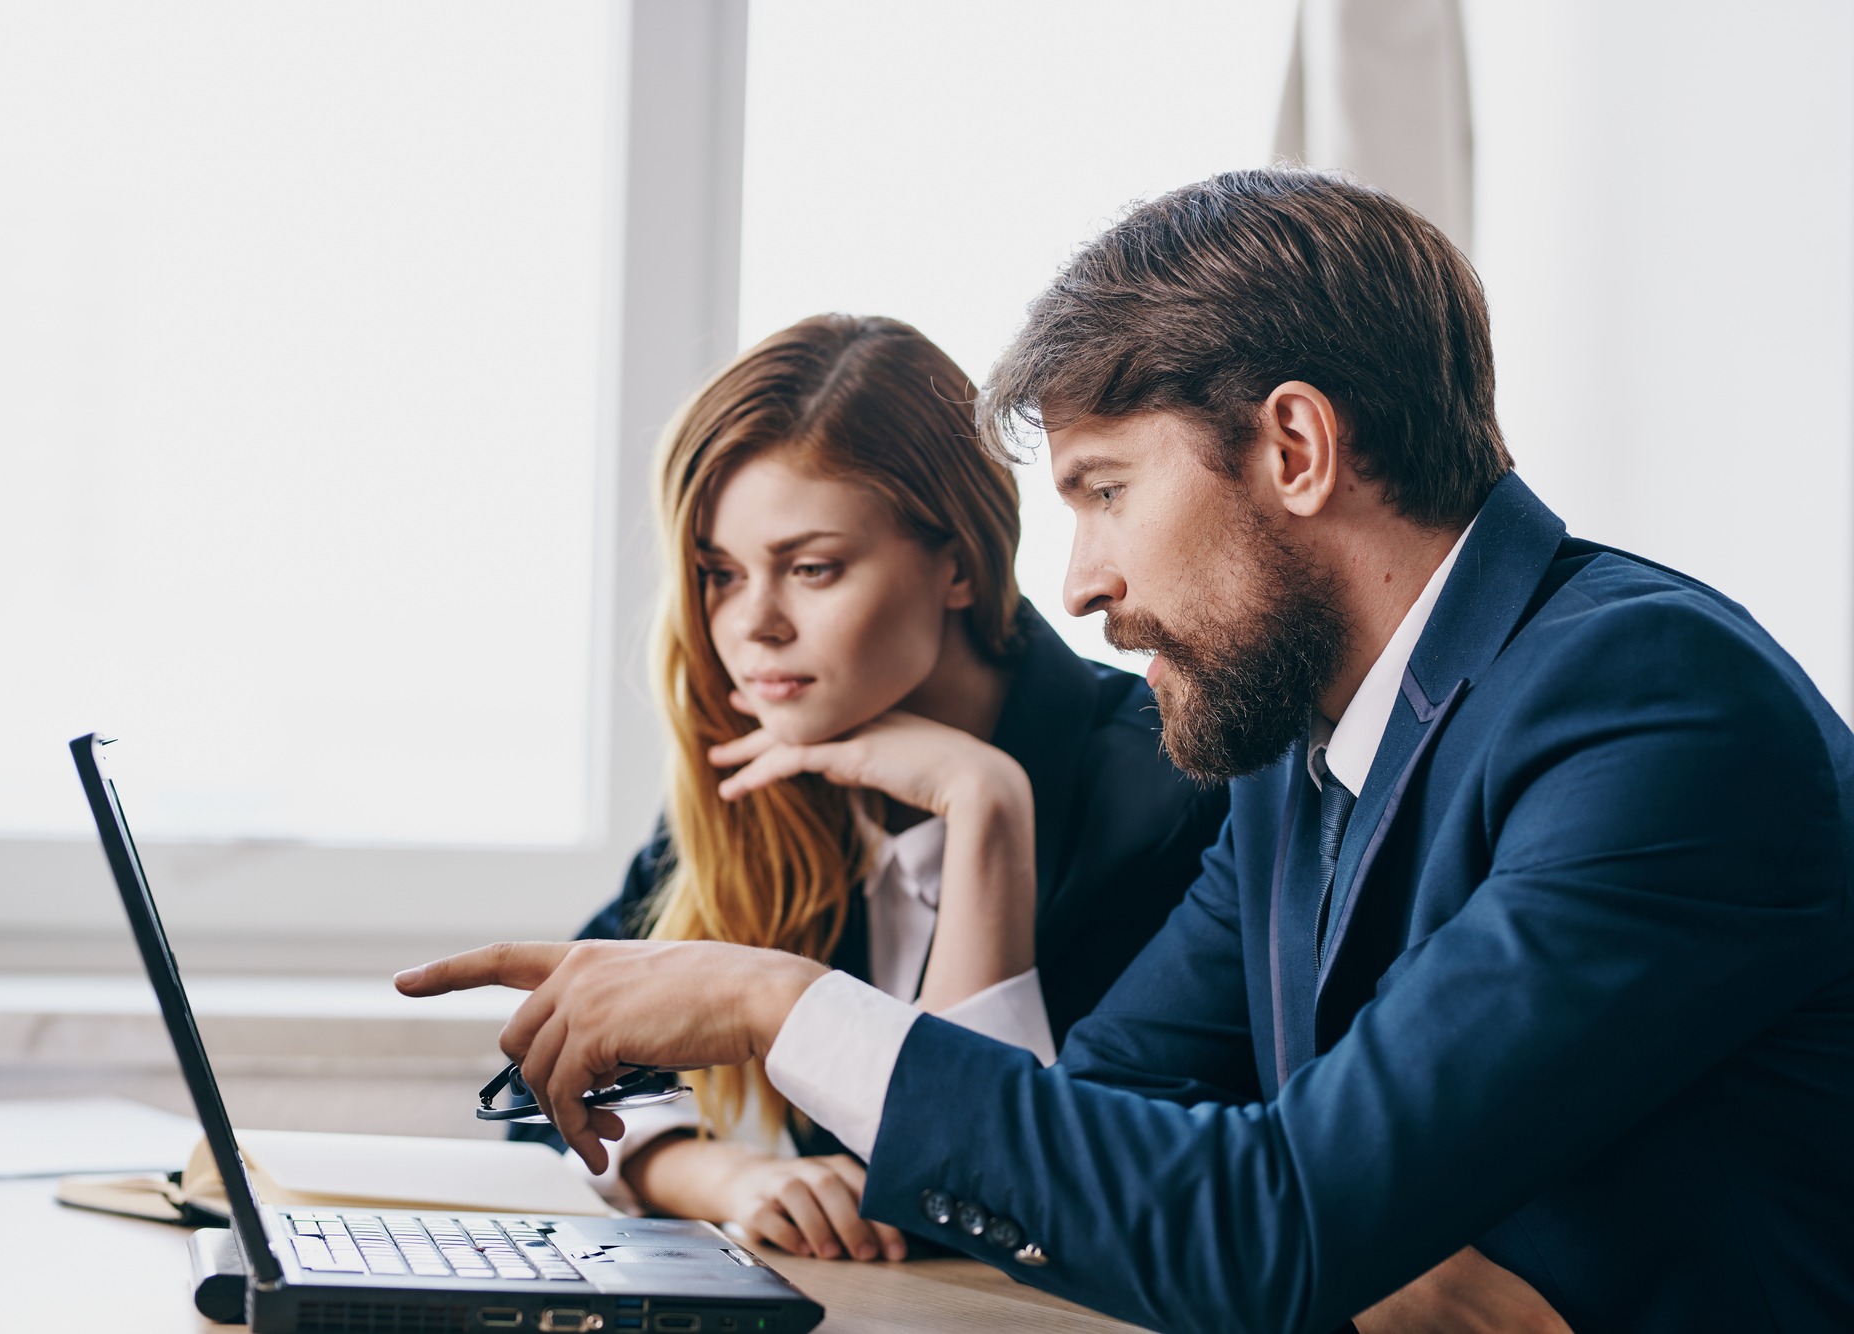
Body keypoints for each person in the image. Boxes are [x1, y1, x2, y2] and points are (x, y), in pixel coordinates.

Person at [398, 171, 1854, 1332]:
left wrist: (784, 1007)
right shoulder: (1293, 747)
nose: (1080, 580)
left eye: (1104, 489)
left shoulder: (1652, 706)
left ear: (1296, 449)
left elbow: (1258, 1227)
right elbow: (1089, 1147)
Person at [534, 313, 1228, 1262]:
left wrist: (983, 805)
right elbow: (554, 1068)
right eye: (719, 575)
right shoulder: (768, 751)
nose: (754, 626)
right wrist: (724, 1175)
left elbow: (1006, 1189)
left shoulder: (1170, 787)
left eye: (811, 568)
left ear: (956, 562)